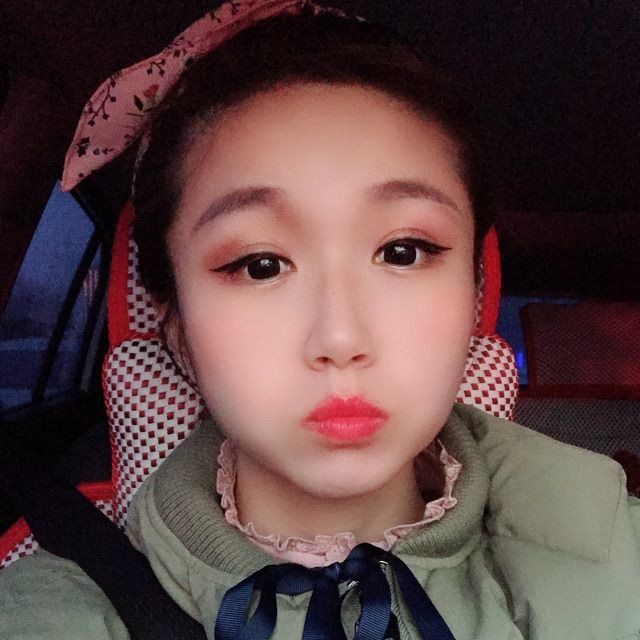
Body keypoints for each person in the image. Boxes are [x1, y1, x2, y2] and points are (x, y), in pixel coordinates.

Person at [1, 1, 640, 638]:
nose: (341, 338)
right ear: (175, 325)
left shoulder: (620, 559)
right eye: (260, 265)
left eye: (403, 251)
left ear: (473, 294)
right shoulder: (50, 609)